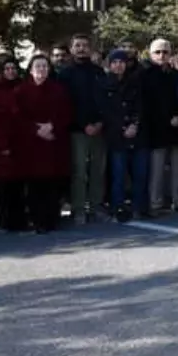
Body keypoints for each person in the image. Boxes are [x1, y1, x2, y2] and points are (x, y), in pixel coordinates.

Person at [15, 54, 72, 233]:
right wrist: (36, 130)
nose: (41, 70)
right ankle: (36, 219)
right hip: (31, 144)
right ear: (31, 70)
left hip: (53, 143)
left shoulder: (58, 90)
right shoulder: (20, 91)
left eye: (45, 66)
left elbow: (66, 113)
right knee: (34, 185)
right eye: (38, 66)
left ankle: (52, 218)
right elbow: (17, 117)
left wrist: (52, 126)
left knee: (52, 183)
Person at [60, 33, 107, 225]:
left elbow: (106, 101)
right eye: (77, 45)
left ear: (90, 48)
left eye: (85, 45)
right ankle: (78, 209)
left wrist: (100, 123)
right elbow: (66, 104)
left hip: (99, 129)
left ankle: (95, 206)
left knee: (98, 170)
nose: (81, 49)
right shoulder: (65, 73)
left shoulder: (99, 72)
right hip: (77, 130)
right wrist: (84, 125)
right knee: (79, 171)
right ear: (71, 49)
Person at [100, 50, 148, 222]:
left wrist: (134, 125)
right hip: (116, 137)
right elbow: (106, 112)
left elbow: (140, 106)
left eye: (121, 62)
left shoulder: (135, 82)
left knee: (140, 173)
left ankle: (138, 207)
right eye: (115, 62)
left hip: (137, 135)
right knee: (118, 175)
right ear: (109, 64)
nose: (118, 65)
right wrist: (122, 128)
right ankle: (117, 207)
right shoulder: (104, 84)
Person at [141, 39, 178, 215]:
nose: (162, 55)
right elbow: (146, 106)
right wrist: (167, 120)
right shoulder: (144, 76)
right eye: (158, 52)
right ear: (150, 54)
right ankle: (155, 203)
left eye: (165, 52)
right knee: (157, 170)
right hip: (157, 129)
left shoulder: (177, 75)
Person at [0, 55, 29, 232]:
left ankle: (20, 219)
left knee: (20, 183)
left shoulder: (22, 87)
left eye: (13, 68)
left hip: (22, 141)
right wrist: (2, 144)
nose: (10, 72)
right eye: (6, 69)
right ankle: (5, 219)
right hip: (1, 142)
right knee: (4, 184)